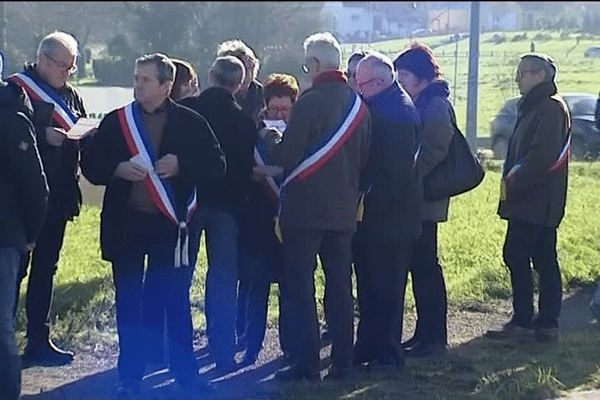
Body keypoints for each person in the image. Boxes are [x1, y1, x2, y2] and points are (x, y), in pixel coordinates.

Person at [80, 53, 226, 397]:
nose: (137, 86)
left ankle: (184, 376)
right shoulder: (118, 121)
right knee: (129, 301)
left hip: (169, 228)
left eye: (145, 80)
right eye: (135, 78)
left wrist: (182, 165)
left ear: (166, 85)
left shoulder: (190, 122)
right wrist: (116, 168)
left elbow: (217, 166)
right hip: (126, 225)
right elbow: (91, 164)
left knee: (173, 301)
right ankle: (130, 378)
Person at [265, 32, 371, 381]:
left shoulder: (309, 102)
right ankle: (343, 360)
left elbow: (287, 156)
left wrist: (272, 137)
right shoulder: (359, 105)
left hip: (305, 210)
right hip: (343, 211)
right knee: (340, 287)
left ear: (313, 65)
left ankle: (306, 362)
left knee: (301, 287)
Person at [9, 30, 87, 366]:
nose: (67, 73)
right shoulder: (14, 90)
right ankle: (5, 345)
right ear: (42, 60)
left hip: (57, 197)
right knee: (13, 272)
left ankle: (38, 341)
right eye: (62, 66)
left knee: (46, 270)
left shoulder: (71, 96)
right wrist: (41, 135)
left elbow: (79, 126)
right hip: (20, 201)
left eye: (72, 67)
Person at [179, 55, 257, 373]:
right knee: (224, 280)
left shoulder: (188, 112)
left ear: (211, 76)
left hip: (190, 203)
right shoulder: (245, 122)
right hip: (227, 207)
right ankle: (223, 350)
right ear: (240, 85)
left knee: (181, 276)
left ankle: (178, 350)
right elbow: (244, 172)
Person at [487, 53, 570, 343]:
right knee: (542, 258)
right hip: (534, 200)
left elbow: (541, 156)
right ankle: (544, 323)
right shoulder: (537, 106)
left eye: (522, 73)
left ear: (539, 76)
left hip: (535, 200)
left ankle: (529, 321)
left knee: (520, 255)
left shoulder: (549, 107)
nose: (517, 78)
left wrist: (514, 181)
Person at [352, 52, 422, 371]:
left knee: (386, 291)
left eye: (361, 82)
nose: (356, 87)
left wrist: (361, 190)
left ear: (379, 82)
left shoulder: (397, 114)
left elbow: (391, 174)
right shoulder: (385, 103)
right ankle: (368, 346)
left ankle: (388, 355)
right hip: (378, 218)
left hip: (390, 220)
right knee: (369, 288)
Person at [393, 42, 454, 358]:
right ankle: (424, 333)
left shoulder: (435, 105)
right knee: (420, 266)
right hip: (418, 197)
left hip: (425, 200)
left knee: (427, 268)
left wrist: (407, 178)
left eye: (404, 74)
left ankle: (434, 336)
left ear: (419, 76)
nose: (400, 80)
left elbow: (433, 151)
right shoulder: (423, 102)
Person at [236, 73, 299, 366]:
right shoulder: (251, 131)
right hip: (258, 217)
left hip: (291, 219)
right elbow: (239, 168)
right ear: (265, 106)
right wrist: (255, 173)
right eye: (274, 109)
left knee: (290, 287)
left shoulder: (302, 131)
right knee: (256, 285)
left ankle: (290, 347)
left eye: (285, 109)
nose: (279, 115)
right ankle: (251, 346)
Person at [0, 52, 49, 400]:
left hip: (4, 236)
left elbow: (34, 184)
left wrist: (29, 234)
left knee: (0, 328)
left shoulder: (13, 116)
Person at [217, 39, 265, 124]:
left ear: (253, 68)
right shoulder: (215, 98)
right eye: (233, 70)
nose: (240, 76)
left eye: (244, 70)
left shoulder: (264, 97)